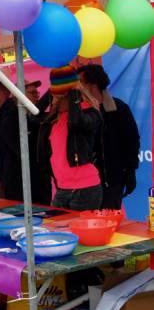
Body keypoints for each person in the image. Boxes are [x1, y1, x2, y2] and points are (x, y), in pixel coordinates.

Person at [38, 65, 103, 211]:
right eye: (55, 96)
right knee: (56, 231)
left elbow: (76, 122)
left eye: (61, 96)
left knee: (81, 234)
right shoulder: (55, 118)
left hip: (85, 189)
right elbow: (33, 115)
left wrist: (73, 90)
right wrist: (53, 89)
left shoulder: (90, 112)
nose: (55, 100)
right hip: (62, 189)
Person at [77, 63, 140, 209]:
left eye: (81, 82)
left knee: (110, 223)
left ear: (93, 83)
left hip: (112, 181)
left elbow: (132, 142)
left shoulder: (119, 109)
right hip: (84, 184)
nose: (77, 87)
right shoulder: (79, 113)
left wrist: (130, 172)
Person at [0, 79, 51, 204]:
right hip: (20, 183)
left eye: (37, 93)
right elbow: (21, 152)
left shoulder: (28, 117)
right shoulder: (11, 118)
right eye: (32, 93)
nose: (36, 95)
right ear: (18, 95)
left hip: (34, 181)